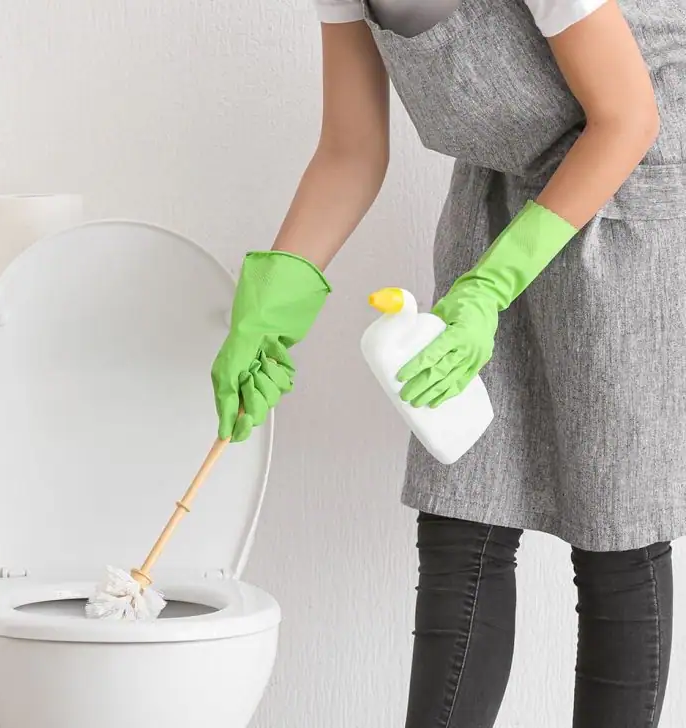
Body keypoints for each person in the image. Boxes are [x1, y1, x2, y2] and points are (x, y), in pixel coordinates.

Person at [210, 1, 680, 725]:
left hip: (633, 184)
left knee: (612, 517)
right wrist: (274, 300)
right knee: (463, 504)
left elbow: (626, 117)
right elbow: (351, 147)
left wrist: (491, 287)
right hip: (501, 181)